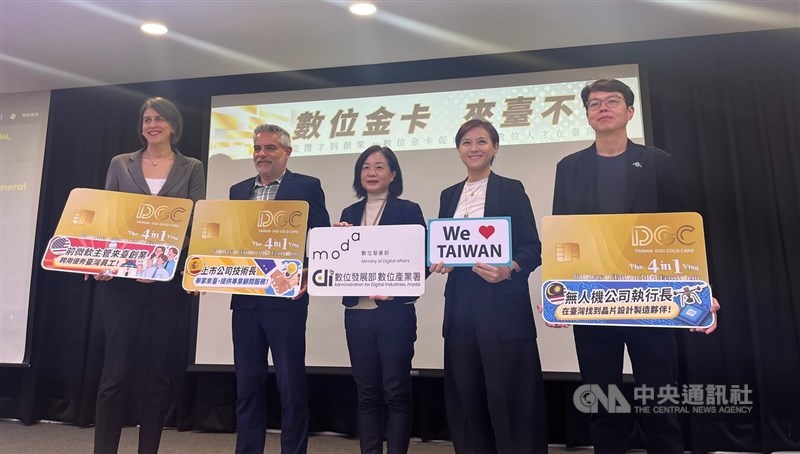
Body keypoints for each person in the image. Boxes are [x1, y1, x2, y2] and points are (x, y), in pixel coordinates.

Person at [551, 78, 720, 453]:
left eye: (612, 101)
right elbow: (562, 233)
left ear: (629, 112)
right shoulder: (569, 168)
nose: (603, 108)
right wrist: (558, 296)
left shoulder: (660, 163)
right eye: (594, 104)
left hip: (651, 300)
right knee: (602, 401)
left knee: (660, 402)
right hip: (593, 302)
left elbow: (683, 233)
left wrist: (701, 292)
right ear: (587, 116)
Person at [90, 97, 206, 454]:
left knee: (156, 371)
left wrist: (166, 260)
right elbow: (108, 216)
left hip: (167, 282)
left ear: (173, 125)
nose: (151, 125)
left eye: (159, 119)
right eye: (146, 119)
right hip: (122, 280)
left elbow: (196, 223)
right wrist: (102, 260)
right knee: (115, 370)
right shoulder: (120, 164)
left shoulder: (191, 167)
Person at [430, 119, 547, 453]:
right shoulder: (448, 194)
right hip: (461, 305)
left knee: (512, 393)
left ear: (495, 148)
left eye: (482, 141)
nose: (474, 148)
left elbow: (531, 247)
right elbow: (442, 247)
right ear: (458, 150)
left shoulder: (510, 188)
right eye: (466, 142)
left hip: (502, 303)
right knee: (467, 394)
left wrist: (509, 268)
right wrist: (439, 260)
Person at [229, 124, 330, 454]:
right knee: (247, 385)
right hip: (245, 301)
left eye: (270, 148)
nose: (262, 154)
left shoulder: (307, 186)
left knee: (290, 384)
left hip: (286, 299)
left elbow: (320, 236)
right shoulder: (238, 189)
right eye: (257, 148)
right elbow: (230, 242)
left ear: (287, 152)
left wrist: (308, 273)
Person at [333, 146, 425, 454]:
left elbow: (420, 261)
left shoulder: (409, 210)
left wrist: (396, 289)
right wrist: (337, 240)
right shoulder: (348, 214)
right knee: (366, 394)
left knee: (396, 392)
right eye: (366, 168)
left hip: (394, 313)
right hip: (357, 314)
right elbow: (338, 263)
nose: (371, 173)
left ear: (393, 174)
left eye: (379, 167)